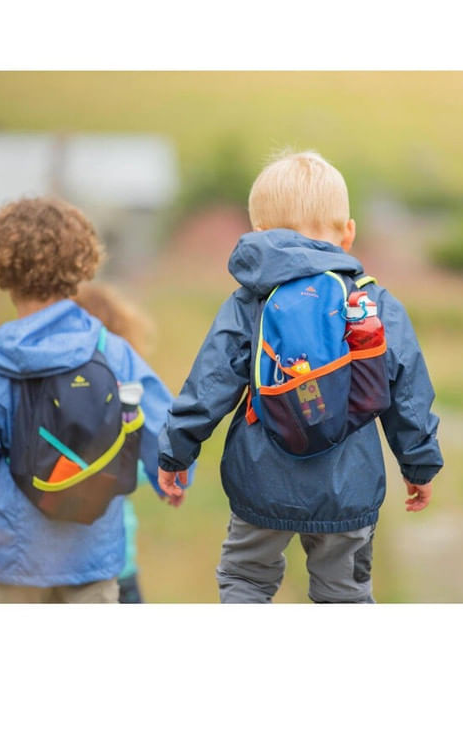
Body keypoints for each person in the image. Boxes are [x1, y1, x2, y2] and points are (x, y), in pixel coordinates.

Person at [157, 150, 443, 604]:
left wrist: (175, 453)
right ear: (348, 233)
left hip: (260, 482)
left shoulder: (250, 300)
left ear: (259, 234)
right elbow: (407, 393)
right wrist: (420, 464)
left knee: (246, 582)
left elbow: (210, 385)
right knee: (344, 597)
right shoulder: (375, 303)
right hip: (349, 489)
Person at [0, 196, 179, 603]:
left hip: (18, 557)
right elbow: (159, 415)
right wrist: (168, 476)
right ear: (81, 262)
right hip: (95, 548)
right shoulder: (110, 349)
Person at [73, 282, 180, 604]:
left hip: (39, 561)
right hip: (114, 560)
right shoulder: (122, 379)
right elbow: (161, 434)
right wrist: (170, 479)